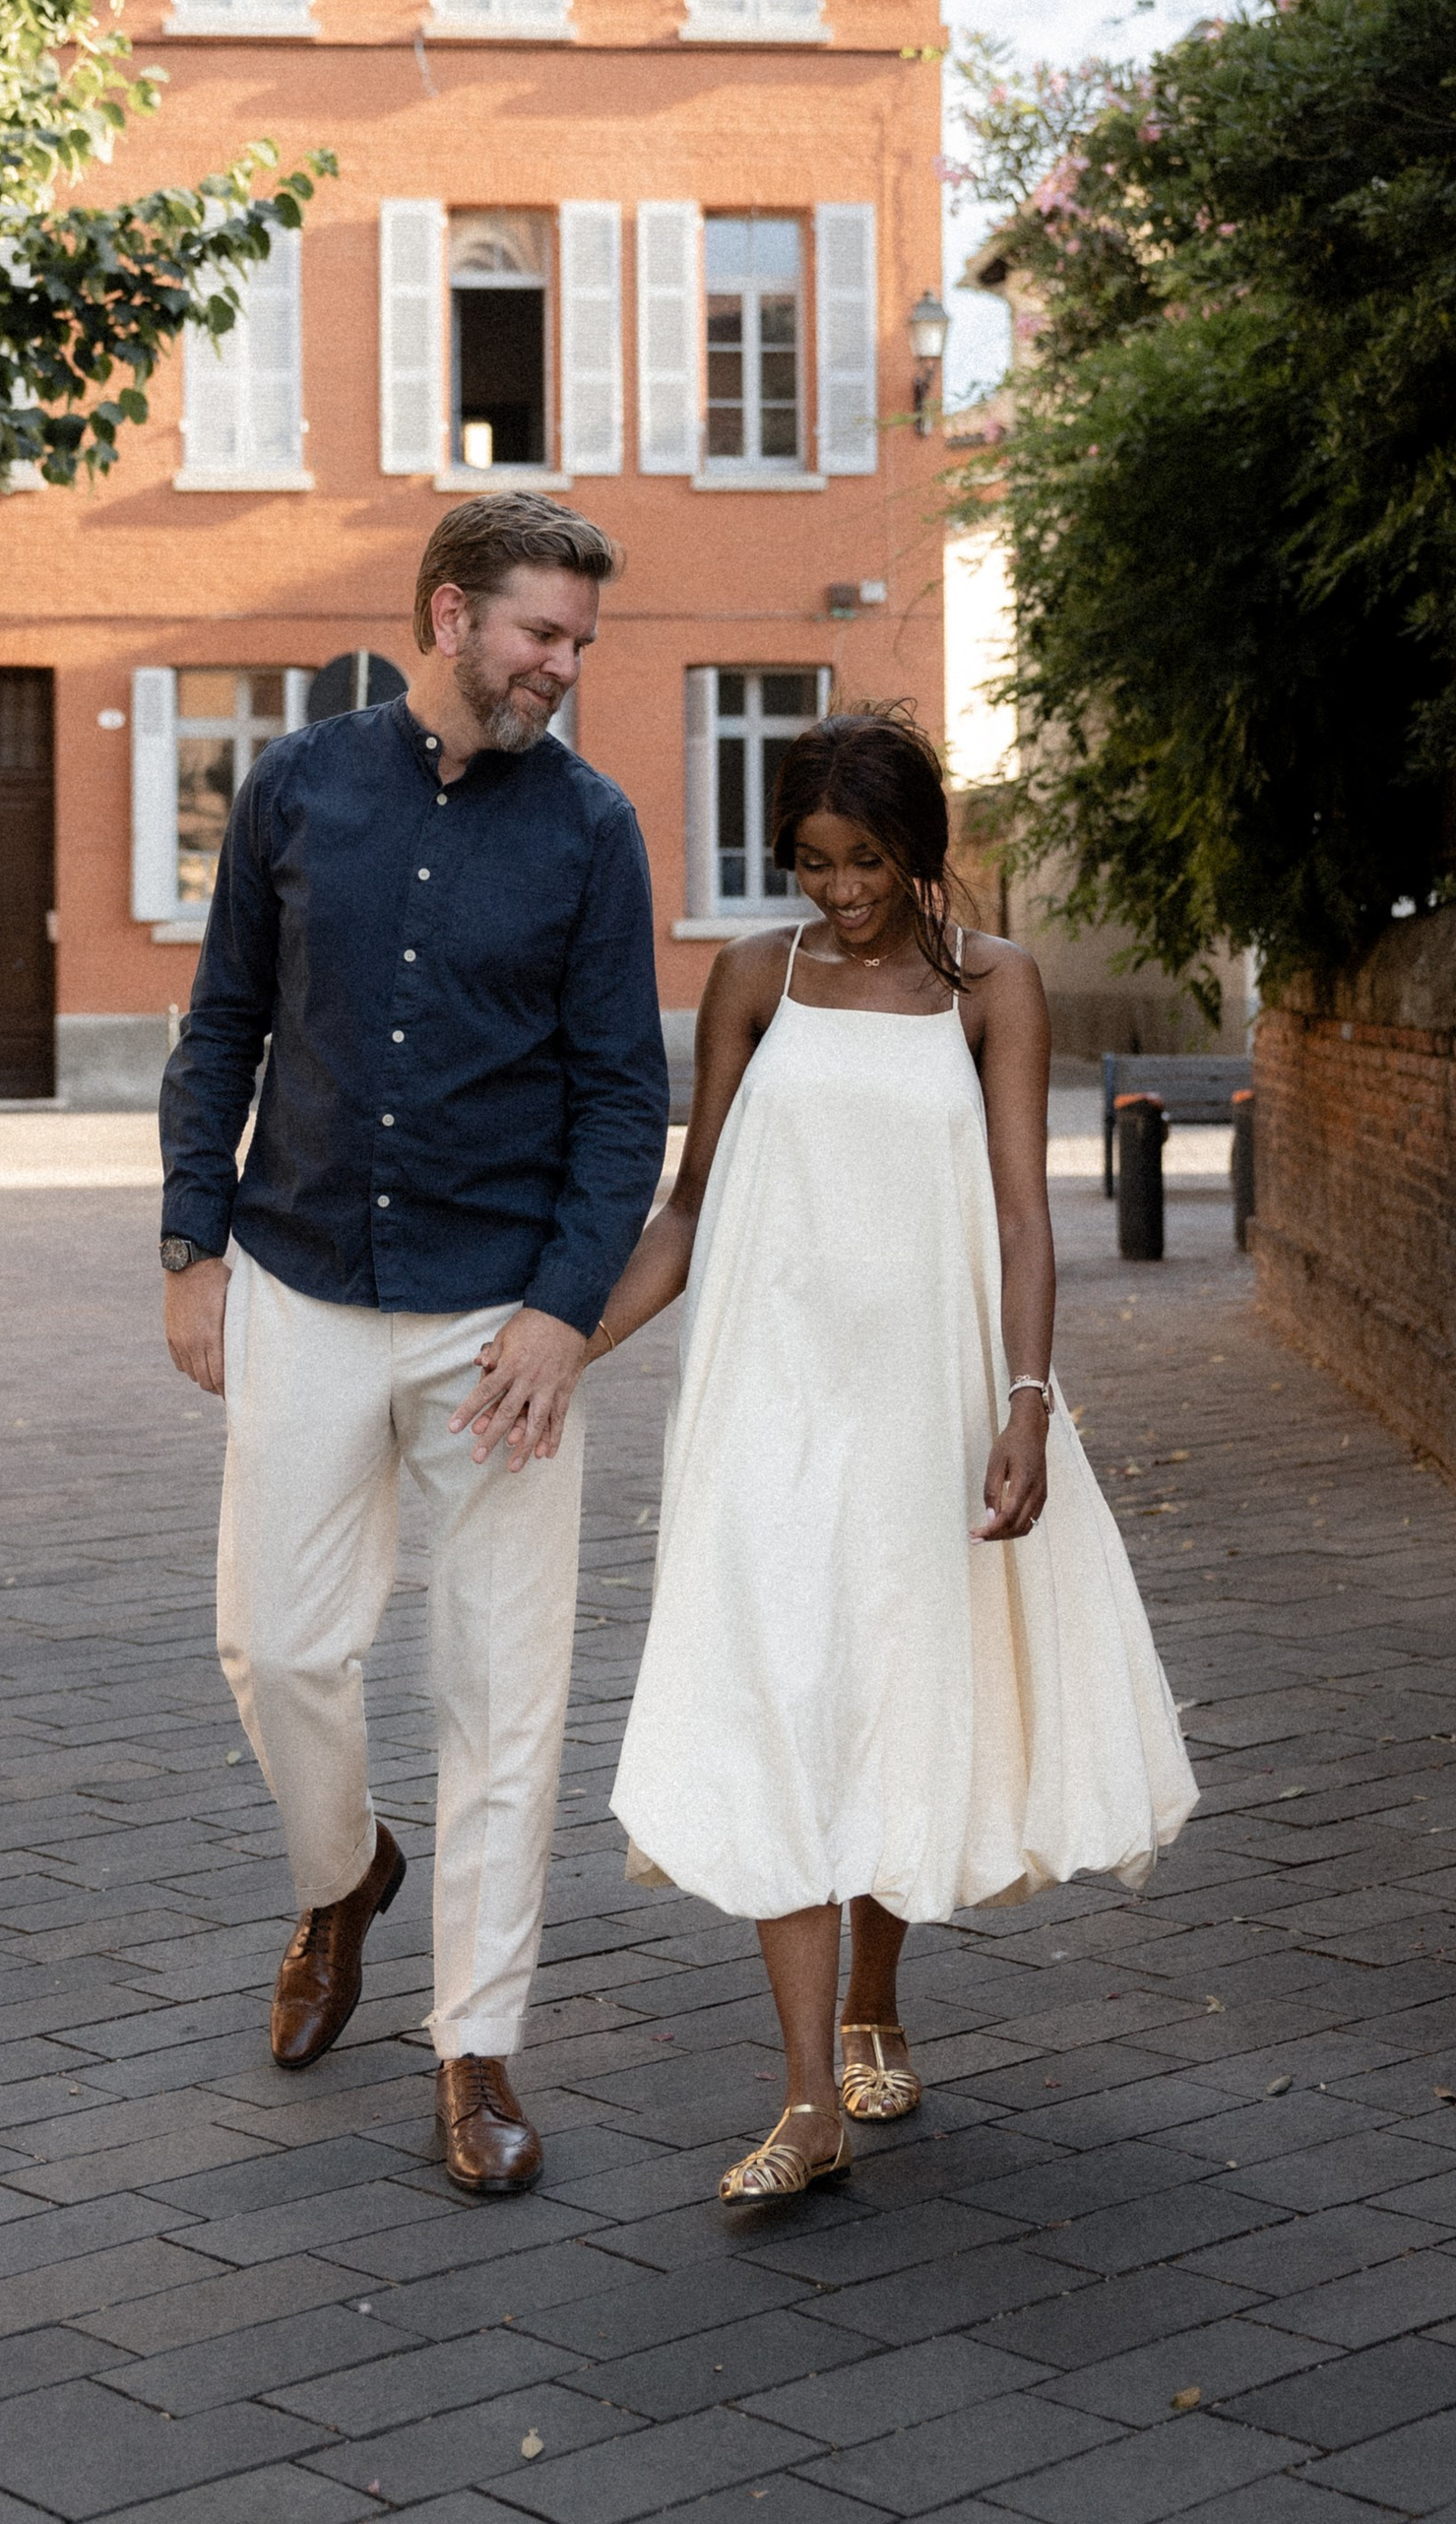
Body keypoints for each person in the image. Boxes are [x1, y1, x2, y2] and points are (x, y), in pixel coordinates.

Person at [599, 708, 1197, 2204]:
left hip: (922, 1399)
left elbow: (1017, 1219)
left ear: (922, 853)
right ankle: (809, 2103)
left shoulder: (994, 988)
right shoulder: (753, 977)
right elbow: (688, 1212)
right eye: (812, 860)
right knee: (781, 1696)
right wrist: (562, 1344)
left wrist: (1028, 1400)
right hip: (764, 1401)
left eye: (868, 861)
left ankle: (876, 1996)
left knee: (885, 1689)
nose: (841, 889)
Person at [158, 494, 669, 2199]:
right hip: (299, 1279)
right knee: (277, 1652)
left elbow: (621, 1104)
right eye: (541, 632)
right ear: (449, 613)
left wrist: (562, 1316)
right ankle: (342, 1875)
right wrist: (188, 1240)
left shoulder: (593, 833)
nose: (563, 667)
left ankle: (476, 2050)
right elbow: (223, 1017)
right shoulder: (299, 787)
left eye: (580, 641)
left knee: (503, 1698)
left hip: (498, 1326)